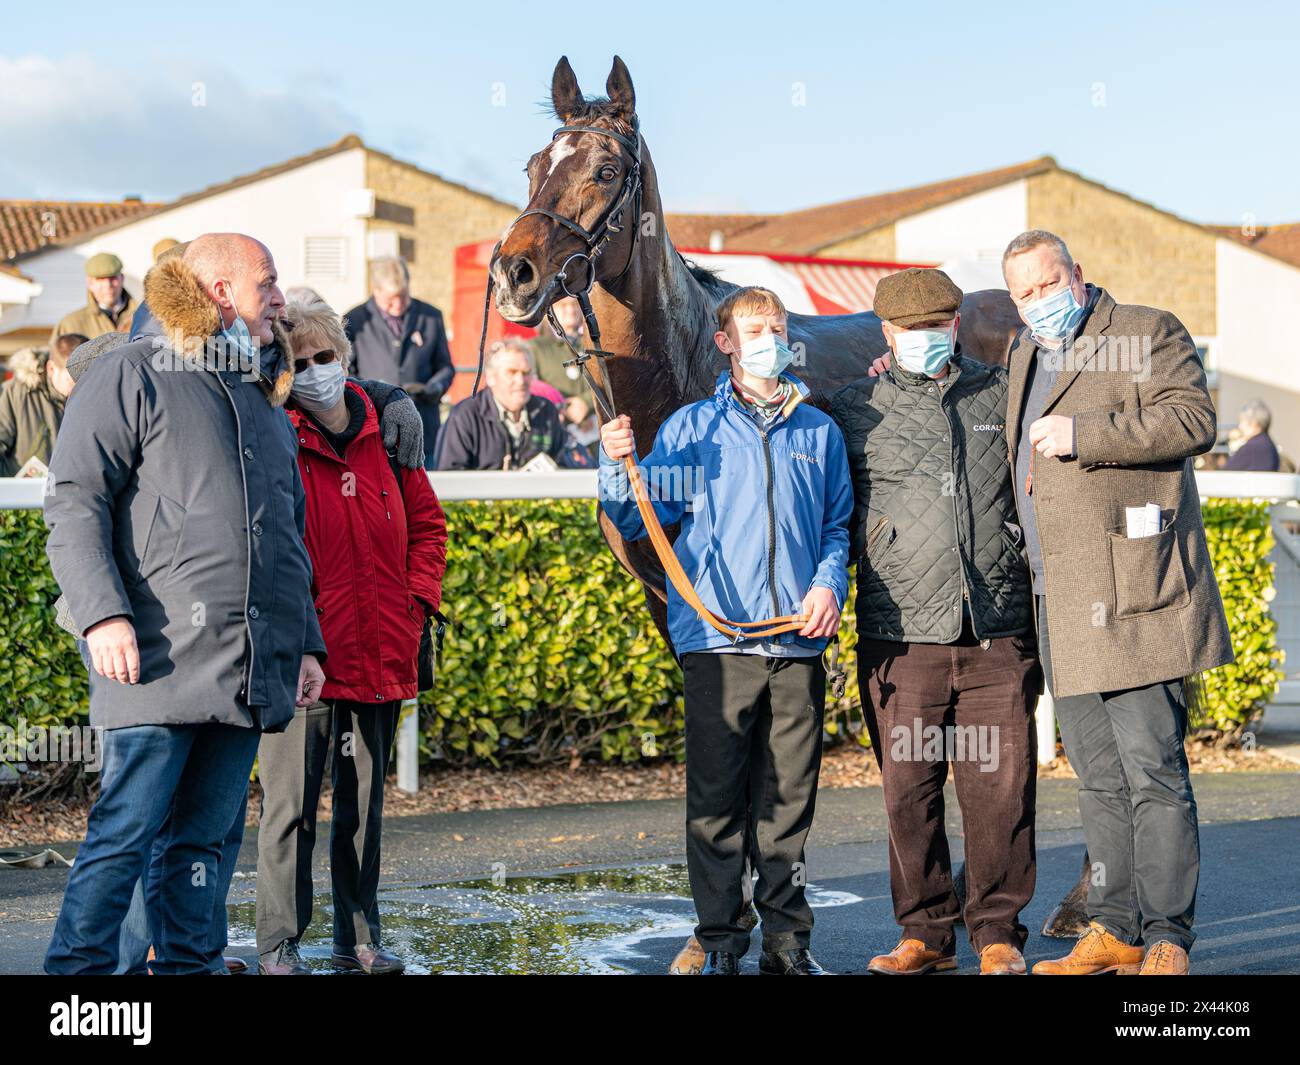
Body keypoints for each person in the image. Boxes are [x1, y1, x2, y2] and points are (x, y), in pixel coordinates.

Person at [42, 232, 327, 975]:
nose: (279, 297)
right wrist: (103, 613)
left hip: (247, 667)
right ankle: (76, 985)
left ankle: (188, 970)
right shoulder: (132, 370)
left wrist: (306, 642)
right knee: (123, 835)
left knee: (204, 844)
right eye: (267, 281)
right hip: (153, 658)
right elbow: (74, 500)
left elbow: (287, 531)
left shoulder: (263, 394)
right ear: (222, 291)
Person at [599, 286, 852, 976]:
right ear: (726, 343)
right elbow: (634, 520)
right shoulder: (689, 430)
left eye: (777, 326)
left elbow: (836, 528)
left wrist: (830, 583)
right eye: (754, 328)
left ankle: (787, 943)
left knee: (787, 806)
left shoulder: (818, 431)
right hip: (717, 645)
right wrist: (612, 461)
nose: (769, 336)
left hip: (797, 644)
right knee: (715, 805)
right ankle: (718, 941)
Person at [1000, 230, 1232, 977]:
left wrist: (1085, 434)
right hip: (1058, 600)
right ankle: (1114, 927)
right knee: (1098, 777)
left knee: (1153, 770)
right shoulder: (1021, 354)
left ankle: (1168, 936)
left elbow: (1194, 420)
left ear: (1078, 273)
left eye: (1047, 283)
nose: (1039, 301)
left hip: (1136, 598)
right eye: (1023, 292)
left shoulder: (1144, 331)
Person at [831, 269, 1040, 976]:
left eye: (940, 325)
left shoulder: (1002, 392)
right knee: (908, 791)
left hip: (996, 627)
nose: (929, 338)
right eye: (913, 329)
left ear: (956, 324)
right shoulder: (854, 405)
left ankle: (998, 932)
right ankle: (924, 932)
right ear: (887, 335)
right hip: (900, 634)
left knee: (1000, 789)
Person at [255, 295, 447, 976]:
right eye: (298, 360)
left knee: (362, 809)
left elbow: (428, 524)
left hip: (380, 647)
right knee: (291, 809)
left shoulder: (390, 435)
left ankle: (358, 936)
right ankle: (280, 941)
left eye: (323, 356)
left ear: (345, 354)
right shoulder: (279, 436)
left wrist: (415, 600)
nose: (312, 370)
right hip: (304, 659)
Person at [344, 256, 453, 468]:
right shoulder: (354, 321)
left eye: (403, 296)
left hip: (423, 426)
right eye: (390, 299)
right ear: (375, 290)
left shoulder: (430, 316)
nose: (399, 305)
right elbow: (346, 372)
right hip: (375, 427)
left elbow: (445, 366)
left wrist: (435, 386)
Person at [436, 338, 576, 470]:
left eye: (526, 373)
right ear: (491, 377)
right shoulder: (464, 416)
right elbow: (450, 475)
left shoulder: (546, 411)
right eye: (512, 372)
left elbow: (563, 462)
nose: (521, 380)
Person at [0, 335, 81, 475]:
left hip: (73, 492)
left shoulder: (93, 394)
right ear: (51, 369)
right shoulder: (15, 394)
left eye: (86, 378)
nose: (80, 385)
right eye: (72, 378)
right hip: (23, 493)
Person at [49, 252, 140, 347]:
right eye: (101, 279)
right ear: (90, 283)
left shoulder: (143, 317)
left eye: (112, 278)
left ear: (122, 278)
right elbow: (57, 359)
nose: (107, 285)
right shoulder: (70, 325)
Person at [1224, 399, 1281, 471]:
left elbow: (1227, 471)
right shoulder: (1267, 443)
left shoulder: (1252, 447)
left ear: (1254, 423)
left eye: (1242, 421)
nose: (1240, 426)